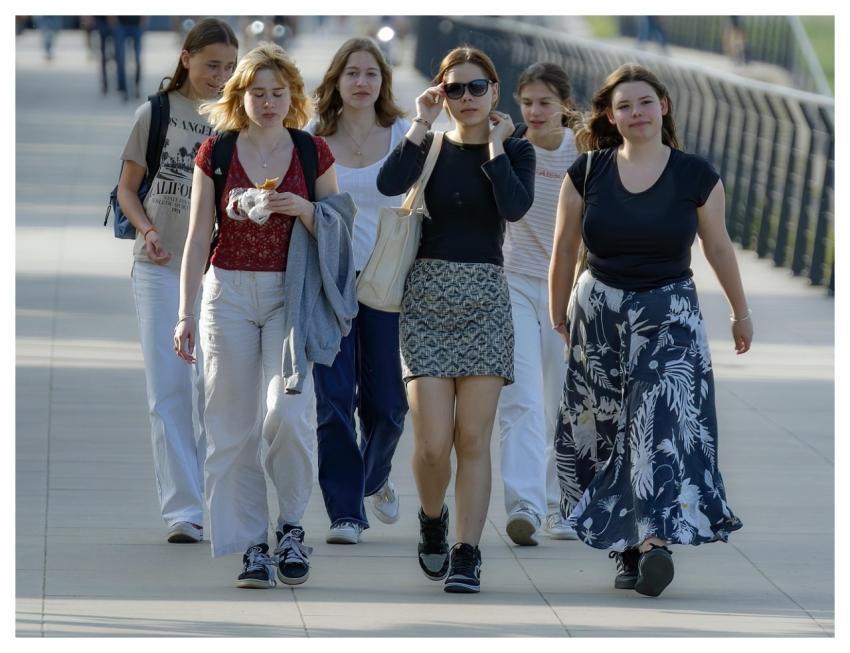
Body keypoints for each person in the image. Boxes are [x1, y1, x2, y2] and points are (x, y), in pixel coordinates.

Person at [549, 63, 751, 597]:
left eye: (643, 102)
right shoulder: (587, 171)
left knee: (658, 424)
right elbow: (566, 247)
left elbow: (719, 246)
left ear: (663, 105)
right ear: (611, 117)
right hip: (600, 312)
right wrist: (557, 310)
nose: (635, 113)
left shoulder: (695, 175)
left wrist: (740, 310)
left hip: (669, 311)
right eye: (623, 106)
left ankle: (655, 540)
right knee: (608, 430)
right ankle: (626, 546)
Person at [174, 42, 340, 589]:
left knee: (288, 416)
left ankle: (290, 525)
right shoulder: (216, 152)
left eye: (278, 92)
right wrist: (185, 313)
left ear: (292, 95)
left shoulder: (311, 150)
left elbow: (341, 230)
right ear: (239, 97)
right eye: (257, 93)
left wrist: (305, 210)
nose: (268, 102)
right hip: (227, 295)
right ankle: (250, 545)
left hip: (289, 300)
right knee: (231, 427)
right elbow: (199, 237)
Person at [377, 46, 535, 593]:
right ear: (440, 94)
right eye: (454, 89)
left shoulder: (513, 151)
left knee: (473, 436)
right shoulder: (429, 146)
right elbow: (387, 183)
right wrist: (420, 122)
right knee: (430, 442)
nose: (465, 99)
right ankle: (431, 519)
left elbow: (514, 208)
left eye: (477, 87)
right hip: (427, 299)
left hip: (487, 300)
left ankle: (467, 552)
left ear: (494, 90)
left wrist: (495, 146)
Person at [116, 18, 238, 545]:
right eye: (213, 65)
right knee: (169, 390)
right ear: (186, 58)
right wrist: (147, 230)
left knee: (218, 392)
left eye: (231, 67)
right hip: (159, 267)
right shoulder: (156, 113)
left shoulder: (235, 119)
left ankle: (223, 501)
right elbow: (126, 188)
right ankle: (184, 511)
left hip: (221, 271)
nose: (221, 76)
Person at [308, 37, 410, 545]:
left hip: (388, 286)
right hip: (330, 284)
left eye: (371, 73)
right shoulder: (312, 138)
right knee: (333, 401)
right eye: (352, 73)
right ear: (336, 80)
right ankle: (346, 512)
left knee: (390, 405)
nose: (362, 82)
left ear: (383, 82)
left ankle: (374, 477)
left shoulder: (404, 135)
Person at [497, 62, 579, 546]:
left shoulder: (583, 153)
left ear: (565, 106)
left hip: (568, 288)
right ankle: (525, 503)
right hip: (514, 284)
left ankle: (563, 504)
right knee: (522, 397)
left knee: (565, 401)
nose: (534, 111)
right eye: (527, 102)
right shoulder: (510, 147)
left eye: (545, 102)